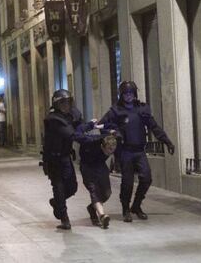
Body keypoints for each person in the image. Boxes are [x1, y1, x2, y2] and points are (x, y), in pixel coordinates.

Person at [99, 81, 175, 222]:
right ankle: (125, 209)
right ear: (121, 95)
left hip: (139, 150)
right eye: (126, 93)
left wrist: (167, 141)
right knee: (127, 182)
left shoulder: (142, 109)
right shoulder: (116, 111)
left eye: (131, 93)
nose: (128, 96)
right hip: (125, 151)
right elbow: (102, 125)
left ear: (134, 94)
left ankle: (136, 205)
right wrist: (113, 131)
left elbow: (154, 127)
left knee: (146, 178)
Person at [42, 89, 82, 230]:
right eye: (63, 103)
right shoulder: (53, 119)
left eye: (68, 102)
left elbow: (78, 124)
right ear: (57, 104)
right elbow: (70, 133)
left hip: (65, 157)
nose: (66, 106)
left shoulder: (68, 116)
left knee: (72, 187)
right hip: (53, 159)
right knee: (58, 187)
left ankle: (57, 202)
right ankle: (65, 219)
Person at [74, 121, 118, 229]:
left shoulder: (111, 140)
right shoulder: (90, 141)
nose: (110, 152)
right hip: (87, 167)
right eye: (108, 150)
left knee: (106, 193)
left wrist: (109, 130)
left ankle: (92, 208)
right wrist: (89, 125)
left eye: (113, 150)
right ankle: (102, 215)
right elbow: (77, 133)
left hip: (100, 166)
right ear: (102, 146)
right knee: (94, 191)